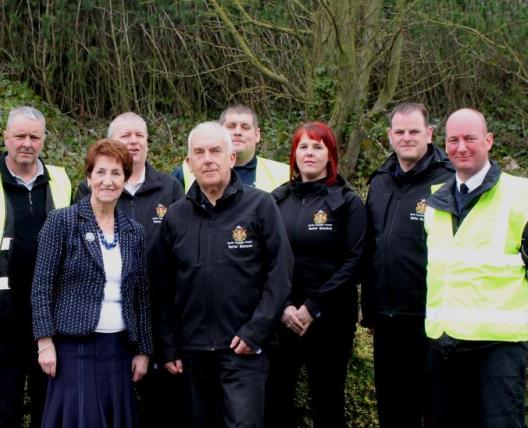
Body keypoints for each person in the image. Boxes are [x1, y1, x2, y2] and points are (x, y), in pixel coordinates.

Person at [157, 122, 293, 428]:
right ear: (188, 162)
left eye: (215, 151)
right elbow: (162, 287)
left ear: (231, 157)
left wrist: (254, 332)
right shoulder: (175, 216)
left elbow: (280, 274)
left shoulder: (260, 206)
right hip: (190, 354)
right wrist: (168, 346)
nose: (207, 159)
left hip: (242, 349)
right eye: (199, 152)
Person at [0, 106, 72, 427]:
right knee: (1, 409)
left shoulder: (61, 181)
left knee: (47, 410)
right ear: (6, 137)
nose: (26, 143)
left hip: (50, 320)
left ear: (43, 140)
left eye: (34, 136)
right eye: (19, 135)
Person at [72, 112, 185, 425]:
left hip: (159, 312)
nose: (134, 141)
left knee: (161, 407)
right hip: (112, 317)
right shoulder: (92, 188)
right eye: (126, 135)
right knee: (110, 407)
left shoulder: (171, 187)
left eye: (140, 135)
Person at [31, 139, 153, 427]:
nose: (107, 181)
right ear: (88, 176)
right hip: (74, 350)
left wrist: (144, 350)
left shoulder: (133, 232)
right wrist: (44, 342)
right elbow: (41, 287)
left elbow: (142, 297)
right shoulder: (62, 221)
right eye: (100, 172)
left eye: (116, 173)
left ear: (125, 178)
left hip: (119, 349)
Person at [423, 108, 528, 427]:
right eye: (453, 140)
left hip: (498, 349)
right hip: (444, 346)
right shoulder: (435, 202)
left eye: (470, 138)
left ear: (489, 140)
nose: (461, 147)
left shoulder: (520, 195)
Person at [265, 122, 366, 428]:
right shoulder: (275, 200)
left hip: (330, 319)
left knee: (327, 401)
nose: (309, 153)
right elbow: (264, 258)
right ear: (294, 155)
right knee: (275, 399)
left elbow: (355, 262)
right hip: (283, 318)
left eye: (317, 146)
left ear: (330, 154)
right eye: (303, 146)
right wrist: (283, 308)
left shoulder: (347, 202)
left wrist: (313, 307)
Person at [360, 102, 453, 427]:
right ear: (389, 136)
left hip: (432, 319)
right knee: (393, 410)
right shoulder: (380, 181)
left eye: (414, 131)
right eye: (399, 131)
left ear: (429, 133)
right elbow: (370, 245)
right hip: (387, 319)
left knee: (436, 409)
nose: (407, 137)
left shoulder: (450, 179)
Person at [172, 104, 289, 192]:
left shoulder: (283, 174)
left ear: (257, 135)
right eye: (231, 126)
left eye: (245, 127)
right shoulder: (186, 172)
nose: (238, 132)